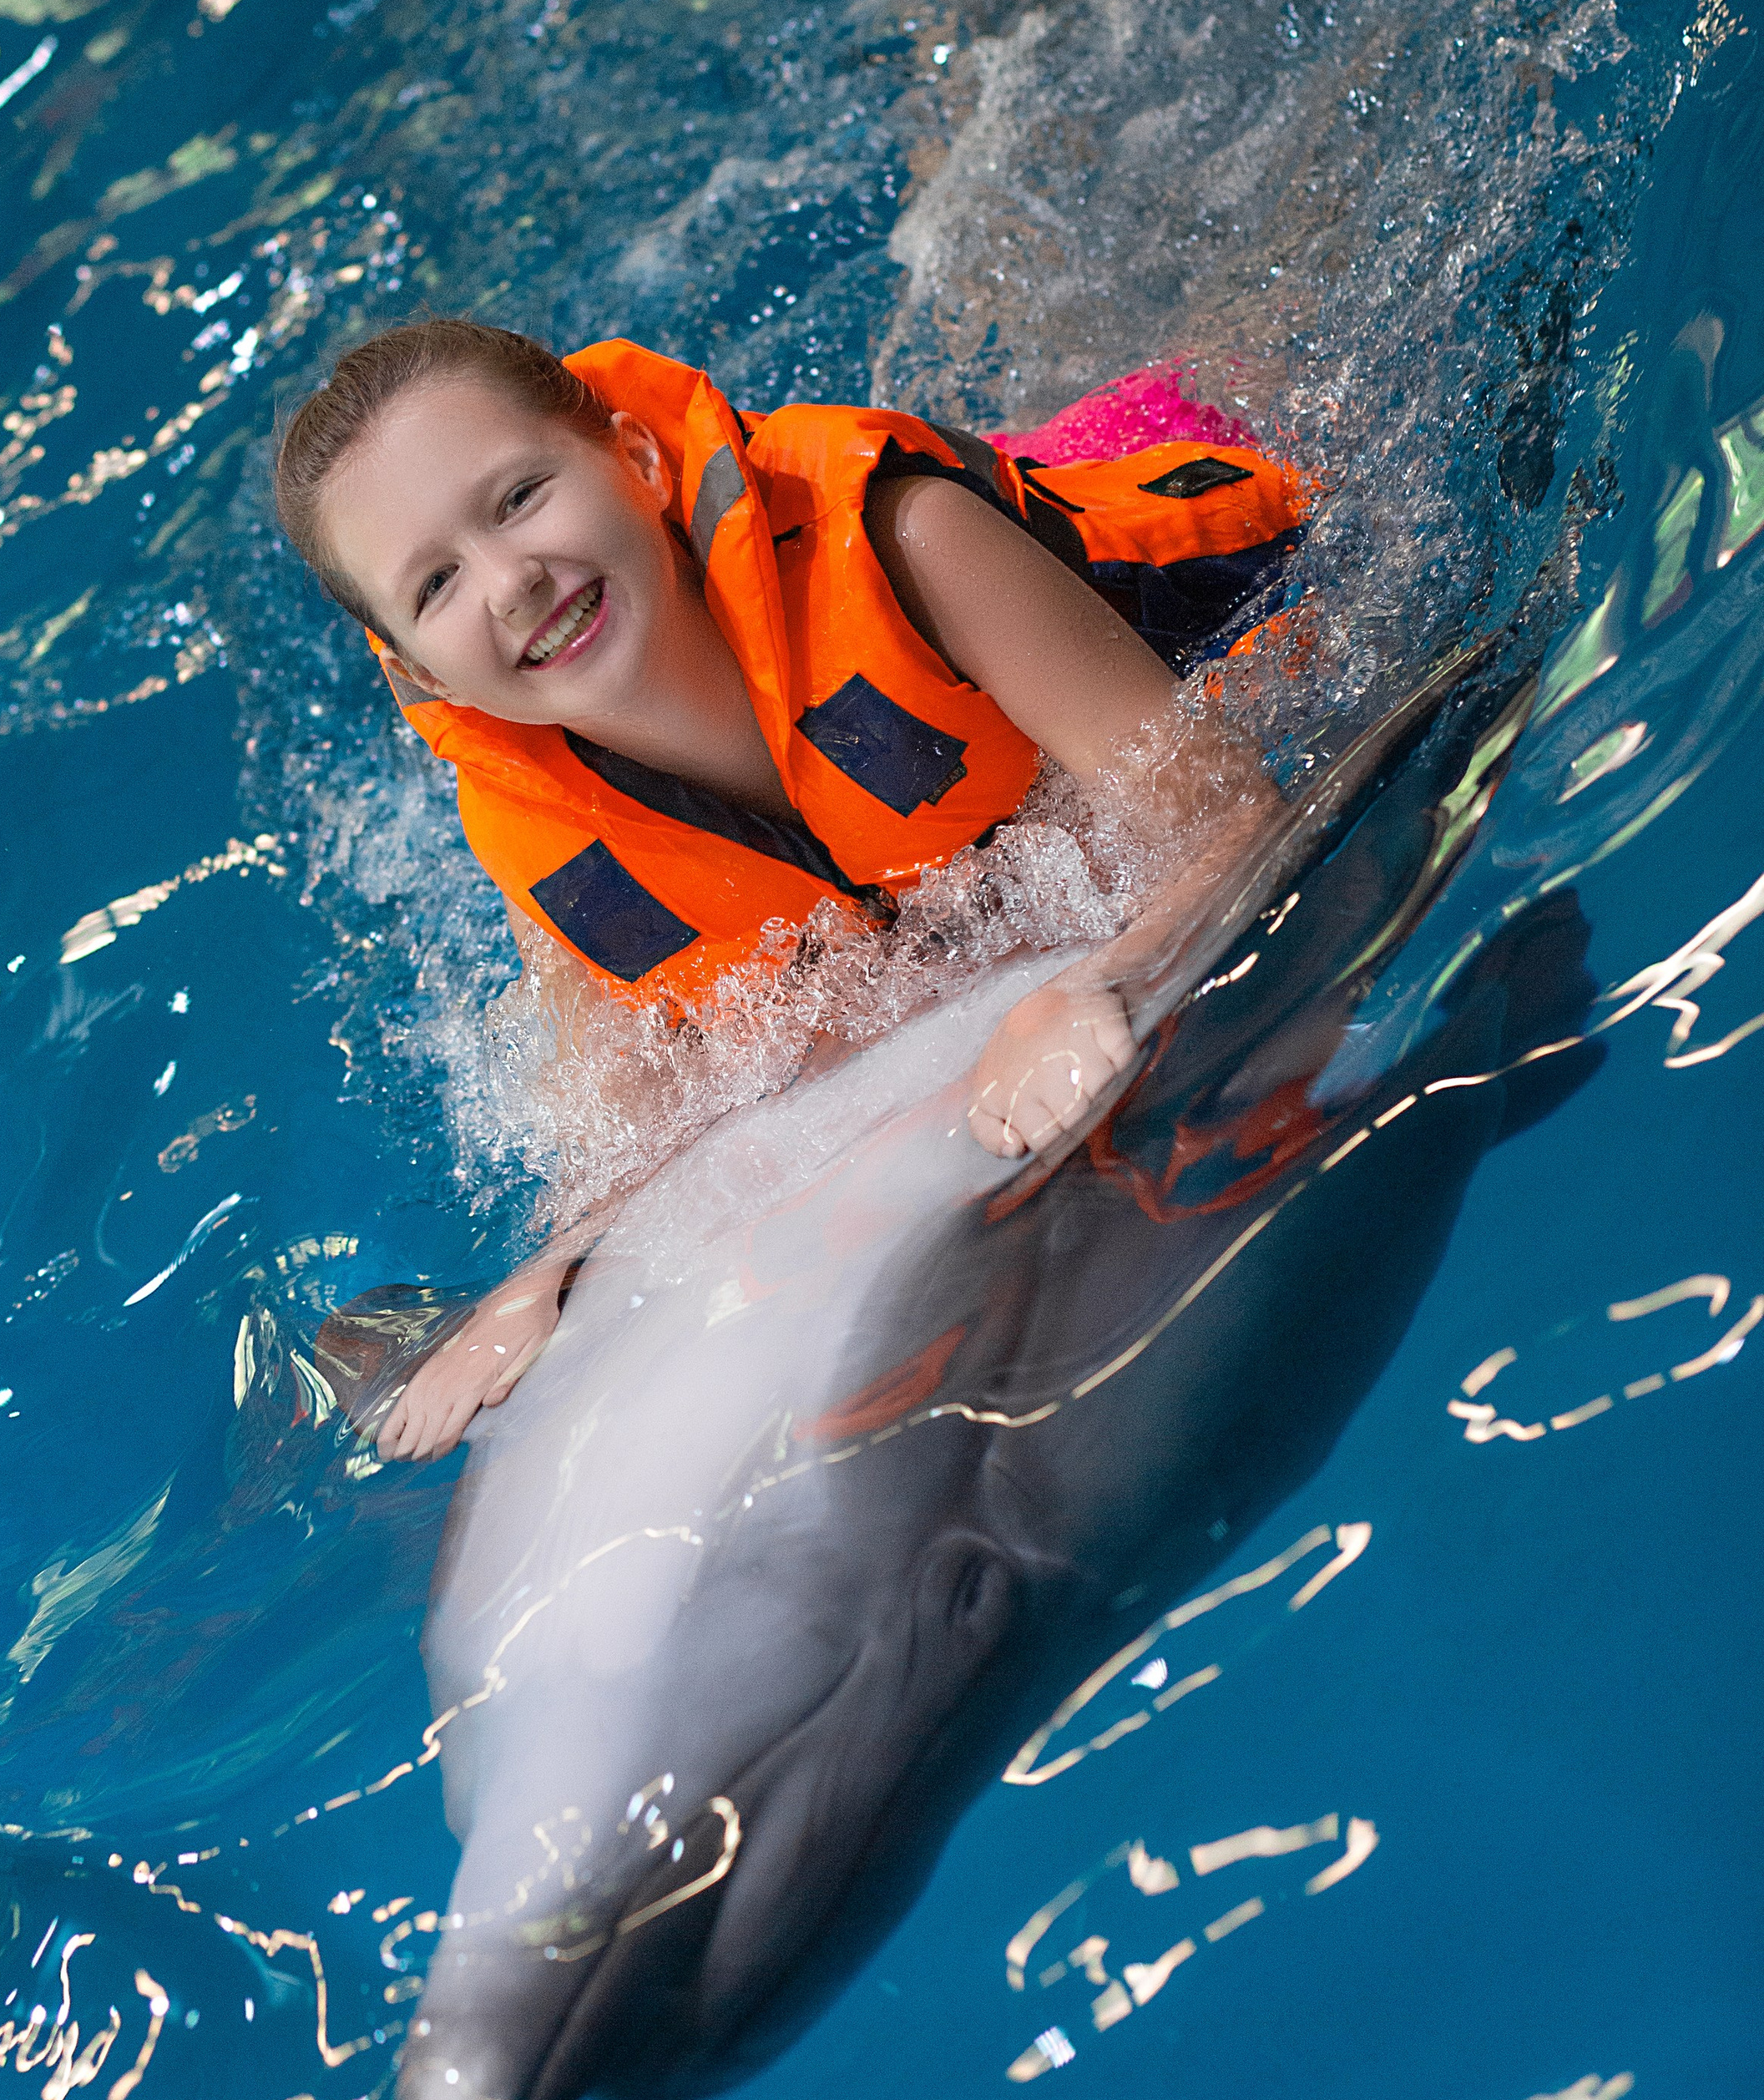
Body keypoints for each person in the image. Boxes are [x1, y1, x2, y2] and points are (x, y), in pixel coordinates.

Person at [273, 319, 1302, 1462]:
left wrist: (1098, 981)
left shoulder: (911, 544)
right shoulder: (551, 834)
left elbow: (1233, 817)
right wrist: (545, 1277)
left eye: (519, 497)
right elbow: (627, 1127)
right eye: (438, 580)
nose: (512, 581)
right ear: (417, 669)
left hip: (1201, 475)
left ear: (639, 459)